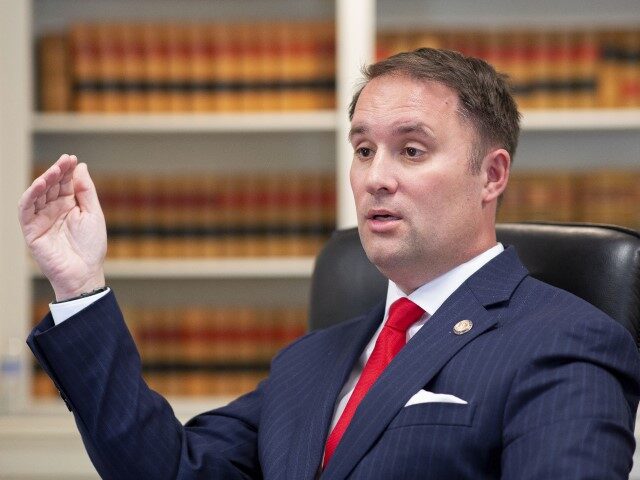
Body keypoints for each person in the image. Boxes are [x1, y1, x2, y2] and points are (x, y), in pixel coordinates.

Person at [19, 48, 640, 479]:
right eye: (364, 150)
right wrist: (80, 286)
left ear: (491, 174)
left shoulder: (566, 340)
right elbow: (169, 469)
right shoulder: (312, 360)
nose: (376, 178)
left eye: (412, 150)